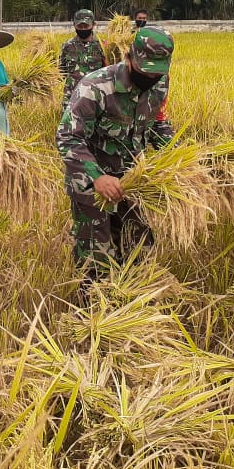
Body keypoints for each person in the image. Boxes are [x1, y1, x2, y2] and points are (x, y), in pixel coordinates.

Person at [56, 26, 176, 284]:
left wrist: (176, 154)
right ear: (129, 58)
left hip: (134, 181)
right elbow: (68, 137)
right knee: (96, 258)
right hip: (91, 185)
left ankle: (132, 300)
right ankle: (94, 305)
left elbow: (157, 122)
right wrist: (97, 177)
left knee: (140, 251)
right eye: (146, 71)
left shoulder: (160, 83)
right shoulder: (95, 86)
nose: (151, 77)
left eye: (157, 72)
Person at [59, 9, 105, 104]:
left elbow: (108, 72)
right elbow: (61, 72)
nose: (83, 29)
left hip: (95, 97)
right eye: (80, 26)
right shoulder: (67, 46)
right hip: (71, 98)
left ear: (93, 24)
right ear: (74, 25)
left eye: (86, 26)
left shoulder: (102, 46)